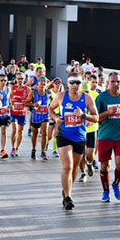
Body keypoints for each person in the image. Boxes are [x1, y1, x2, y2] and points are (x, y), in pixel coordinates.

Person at [48, 73, 98, 210]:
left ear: (81, 84)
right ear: (67, 84)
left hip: (80, 137)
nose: (75, 85)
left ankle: (66, 190)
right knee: (67, 166)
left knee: (74, 168)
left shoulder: (87, 98)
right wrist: (56, 118)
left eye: (77, 83)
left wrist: (83, 115)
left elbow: (96, 117)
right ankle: (68, 197)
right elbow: (50, 108)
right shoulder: (60, 96)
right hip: (64, 135)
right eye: (72, 83)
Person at [95, 72, 120, 202]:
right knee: (105, 166)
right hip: (105, 136)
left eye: (118, 81)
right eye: (113, 82)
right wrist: (108, 112)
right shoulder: (101, 97)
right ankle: (105, 191)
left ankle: (116, 184)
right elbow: (96, 118)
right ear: (108, 82)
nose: (116, 84)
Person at [27, 76, 50, 160]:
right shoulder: (33, 93)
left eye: (44, 83)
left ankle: (43, 152)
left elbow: (55, 102)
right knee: (35, 134)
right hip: (36, 116)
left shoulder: (49, 92)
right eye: (41, 83)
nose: (42, 84)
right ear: (38, 83)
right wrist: (33, 104)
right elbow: (26, 103)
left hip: (45, 116)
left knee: (45, 133)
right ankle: (33, 150)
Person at [9, 73, 29, 157]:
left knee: (20, 132)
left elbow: (30, 99)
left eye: (21, 79)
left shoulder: (27, 89)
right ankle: (13, 147)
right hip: (13, 112)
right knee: (14, 129)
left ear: (24, 79)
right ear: (16, 79)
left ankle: (17, 148)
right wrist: (10, 104)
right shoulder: (12, 88)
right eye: (18, 79)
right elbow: (8, 98)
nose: (20, 80)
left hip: (22, 113)